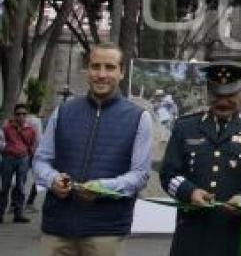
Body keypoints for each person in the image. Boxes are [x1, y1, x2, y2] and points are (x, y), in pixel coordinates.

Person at [34, 42, 153, 256]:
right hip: (57, 230)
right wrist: (53, 179)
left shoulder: (138, 118)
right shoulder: (63, 112)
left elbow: (140, 174)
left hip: (105, 232)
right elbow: (41, 160)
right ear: (88, 69)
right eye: (95, 66)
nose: (101, 74)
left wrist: (104, 187)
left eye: (109, 67)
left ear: (122, 72)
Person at [160, 61, 241, 256]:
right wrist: (190, 192)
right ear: (207, 92)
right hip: (191, 237)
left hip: (236, 238)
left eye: (230, 95)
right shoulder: (185, 127)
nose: (223, 101)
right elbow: (168, 174)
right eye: (217, 95)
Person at [0, 103, 38, 223]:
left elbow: (33, 144)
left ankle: (18, 214)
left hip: (23, 159)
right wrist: (6, 150)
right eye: (18, 114)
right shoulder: (7, 128)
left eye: (23, 114)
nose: (21, 116)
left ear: (26, 115)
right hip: (8, 158)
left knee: (20, 187)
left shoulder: (31, 129)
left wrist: (31, 157)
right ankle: (0, 213)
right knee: (4, 187)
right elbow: (1, 141)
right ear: (14, 115)